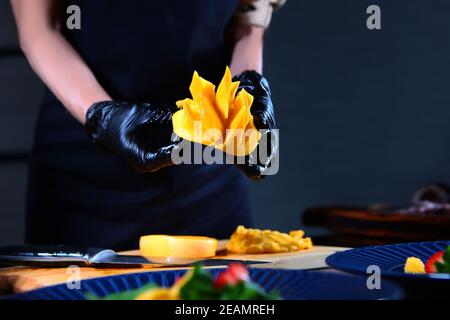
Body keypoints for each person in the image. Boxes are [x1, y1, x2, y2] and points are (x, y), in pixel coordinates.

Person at [10, 0, 283, 250]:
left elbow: (248, 20)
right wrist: (105, 117)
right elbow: (40, 30)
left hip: (208, 174)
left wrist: (245, 92)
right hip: (84, 180)